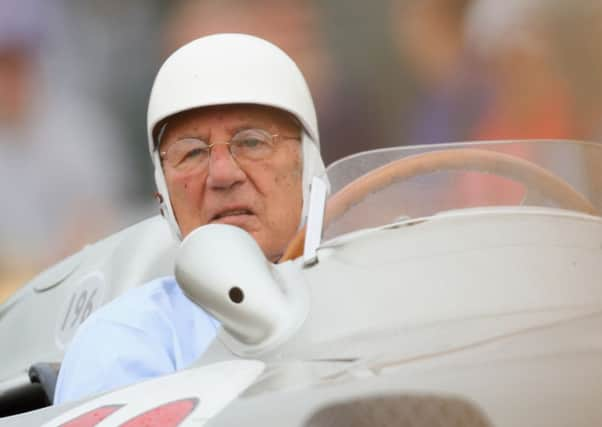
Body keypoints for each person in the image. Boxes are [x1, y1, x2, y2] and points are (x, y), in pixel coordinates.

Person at [54, 33, 328, 404]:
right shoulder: (127, 341)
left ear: (308, 167)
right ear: (163, 194)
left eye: (252, 142)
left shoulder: (373, 293)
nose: (222, 174)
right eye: (192, 153)